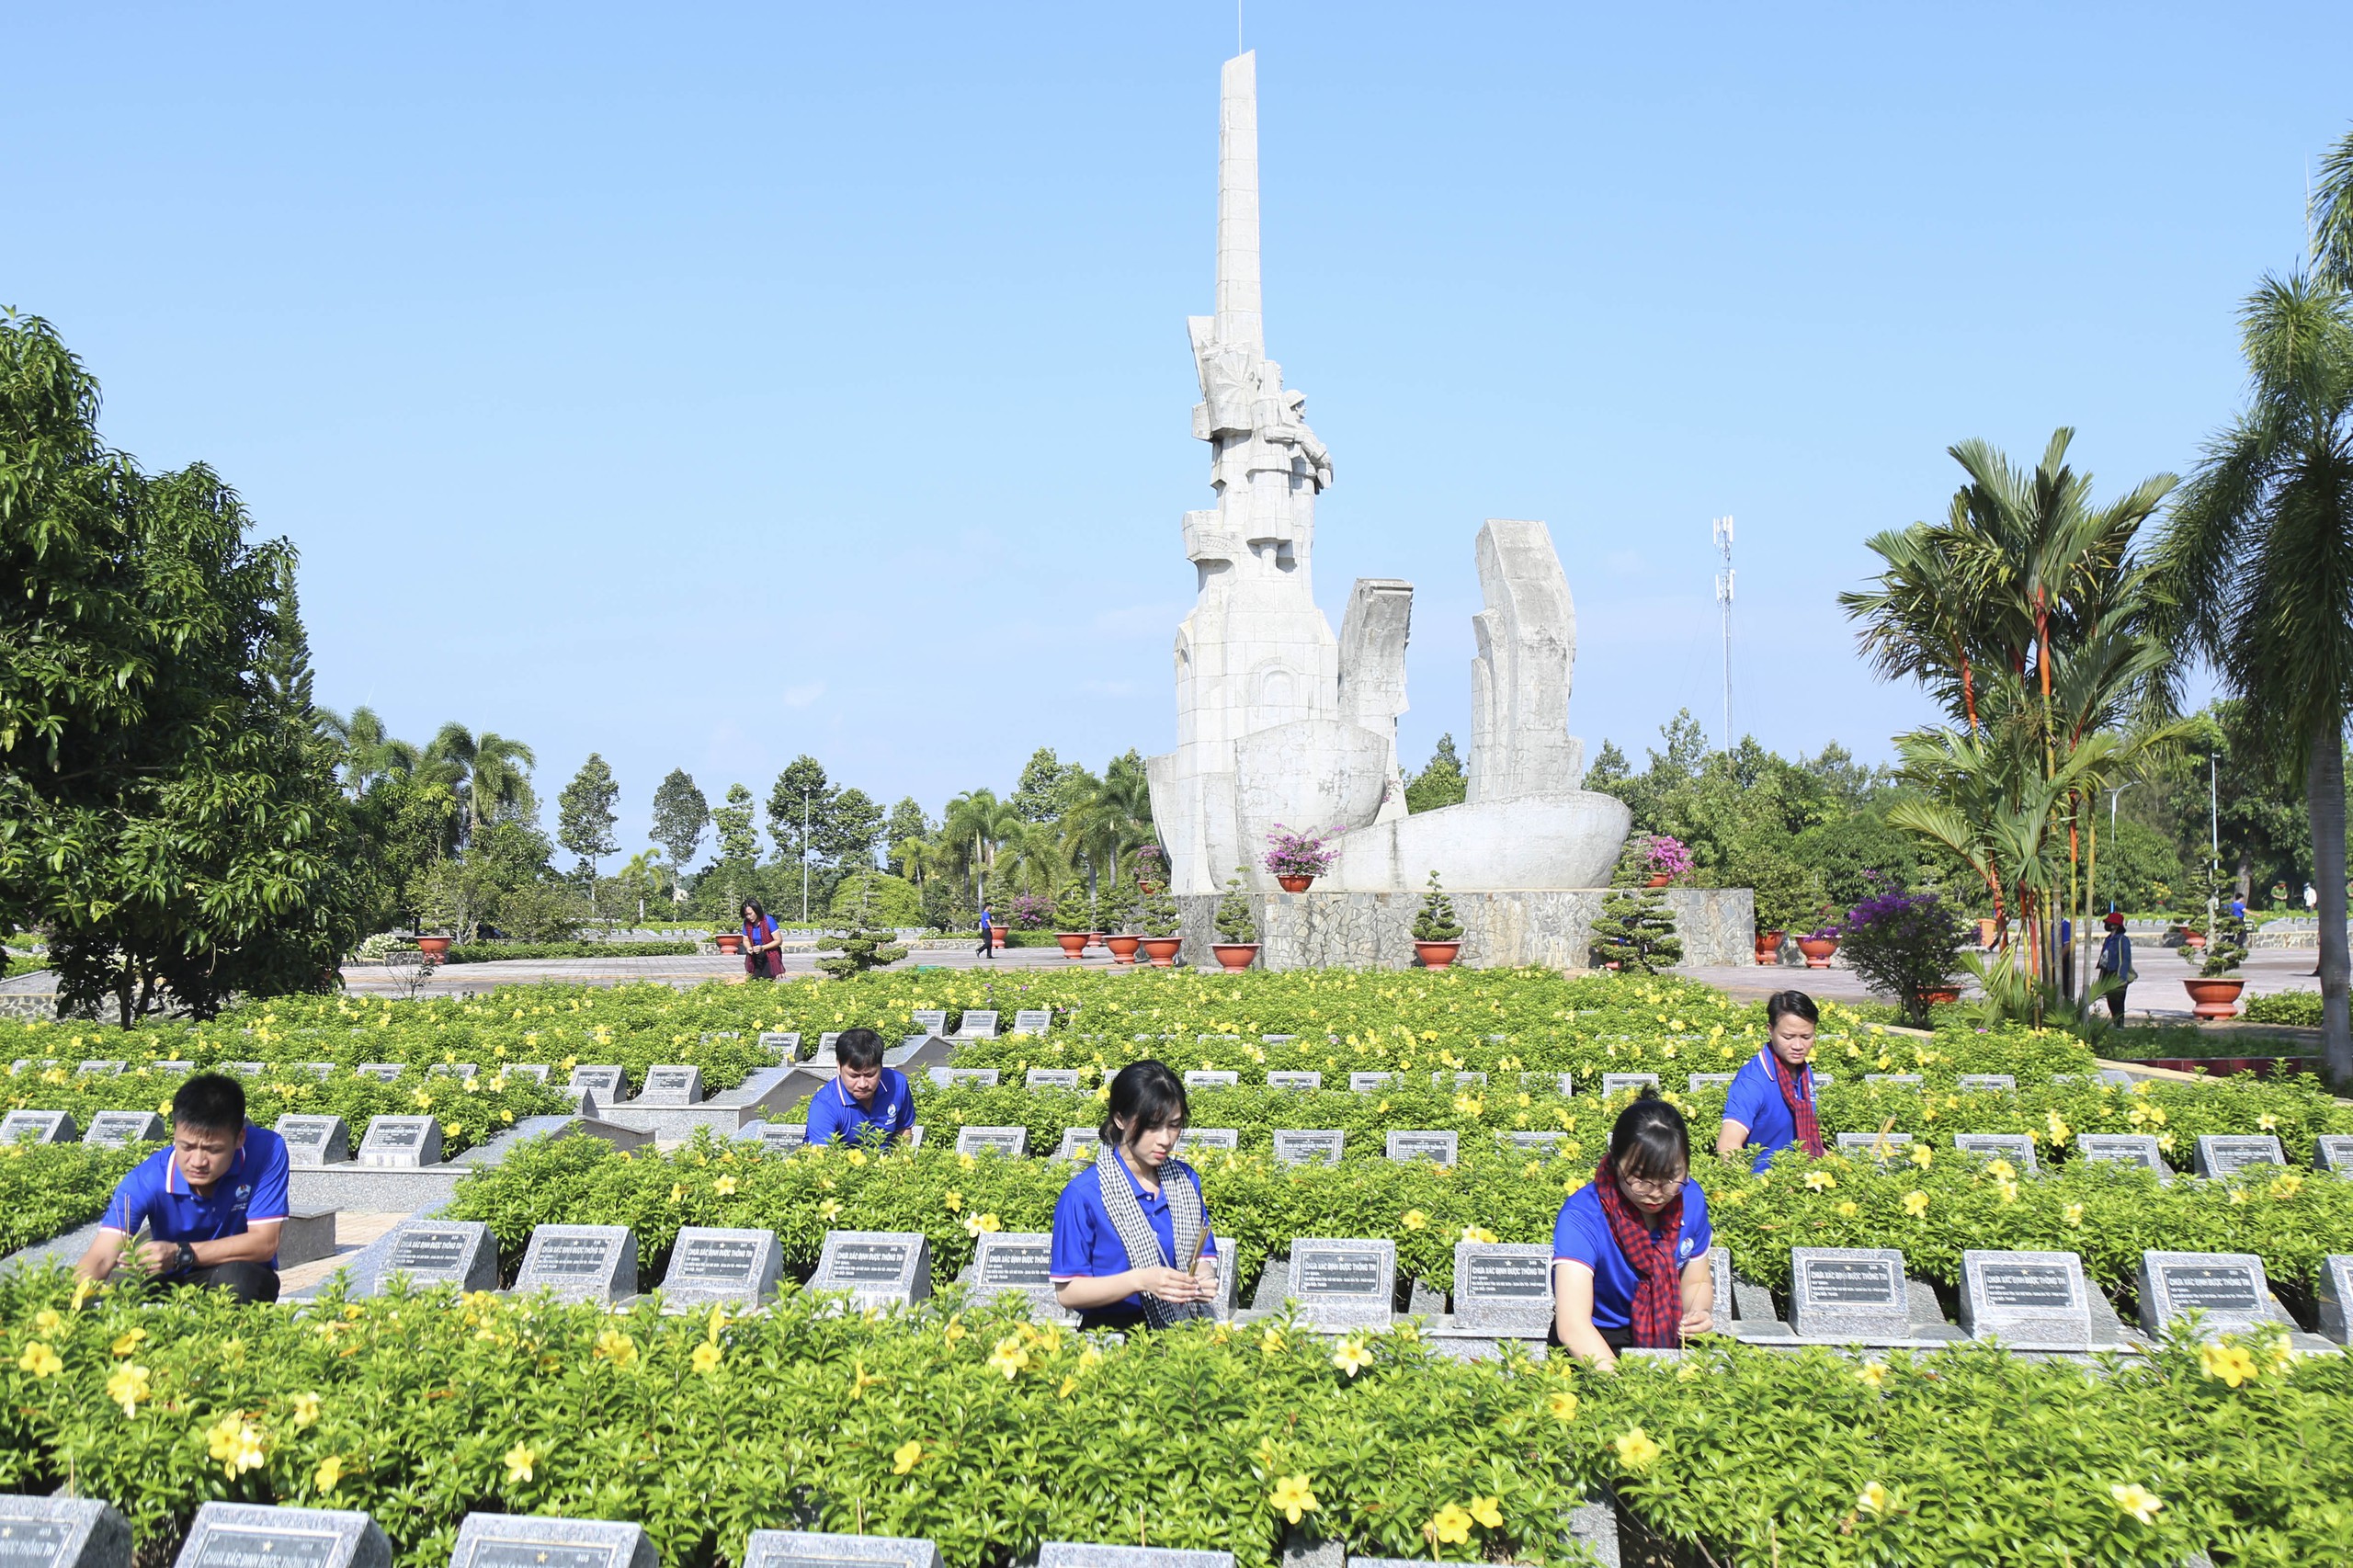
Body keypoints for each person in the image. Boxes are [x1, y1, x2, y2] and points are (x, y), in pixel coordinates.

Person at [74, 1073, 289, 1303]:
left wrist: (180, 1253)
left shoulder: (267, 1150)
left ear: (239, 1138)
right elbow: (102, 1256)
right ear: (174, 1132)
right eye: (186, 1147)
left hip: (238, 1276)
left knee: (239, 1278)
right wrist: (64, 1300)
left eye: (213, 1150)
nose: (197, 1161)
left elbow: (265, 1243)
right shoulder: (145, 1180)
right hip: (170, 1282)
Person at [1051, 1060, 1219, 1330]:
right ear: (1120, 1119)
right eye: (1152, 1126)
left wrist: (1203, 1281)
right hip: (1112, 1338)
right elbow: (1068, 1292)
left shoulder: (1185, 1181)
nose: (1165, 1139)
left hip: (1183, 1332)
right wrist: (1140, 1280)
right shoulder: (1083, 1195)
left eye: (1174, 1125)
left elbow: (1200, 1259)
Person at [1552, 1090, 1713, 1367]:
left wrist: (1697, 1314)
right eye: (1640, 1178)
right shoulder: (1582, 1216)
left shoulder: (1691, 1198)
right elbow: (1573, 1327)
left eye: (1671, 1177)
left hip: (1666, 1332)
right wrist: (1626, 1390)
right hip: (1597, 1339)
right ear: (1616, 1163)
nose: (1656, 1193)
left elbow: (1696, 1280)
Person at [1715, 990, 1824, 1171]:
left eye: (1806, 1037)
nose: (1798, 1046)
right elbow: (1727, 1145)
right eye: (1788, 1037)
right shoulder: (1753, 1082)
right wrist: (1753, 1188)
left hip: (1801, 1179)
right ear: (1770, 1030)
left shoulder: (1805, 1073)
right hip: (1767, 1187)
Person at [803, 1028, 915, 1146]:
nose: (862, 1084)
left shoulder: (897, 1084)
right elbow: (821, 1157)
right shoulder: (824, 1104)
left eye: (870, 1075)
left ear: (881, 1067)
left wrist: (899, 1161)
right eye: (854, 1076)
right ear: (839, 1066)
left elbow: (904, 1129)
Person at [2096, 911, 2135, 1024]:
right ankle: (2116, 1023)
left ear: (2116, 925)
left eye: (2110, 923)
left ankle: (2119, 1025)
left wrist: (2121, 978)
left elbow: (2125, 959)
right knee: (2110, 1001)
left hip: (2117, 974)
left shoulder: (2123, 940)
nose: (2107, 925)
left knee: (2118, 1002)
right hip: (2107, 973)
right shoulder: (2108, 939)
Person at [741, 898, 781, 981]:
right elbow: (745, 940)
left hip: (769, 954)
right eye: (746, 915)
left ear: (757, 910)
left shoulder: (768, 920)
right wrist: (748, 948)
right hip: (755, 955)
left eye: (750, 914)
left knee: (767, 979)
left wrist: (762, 947)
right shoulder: (747, 923)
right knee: (754, 979)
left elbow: (778, 940)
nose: (748, 917)